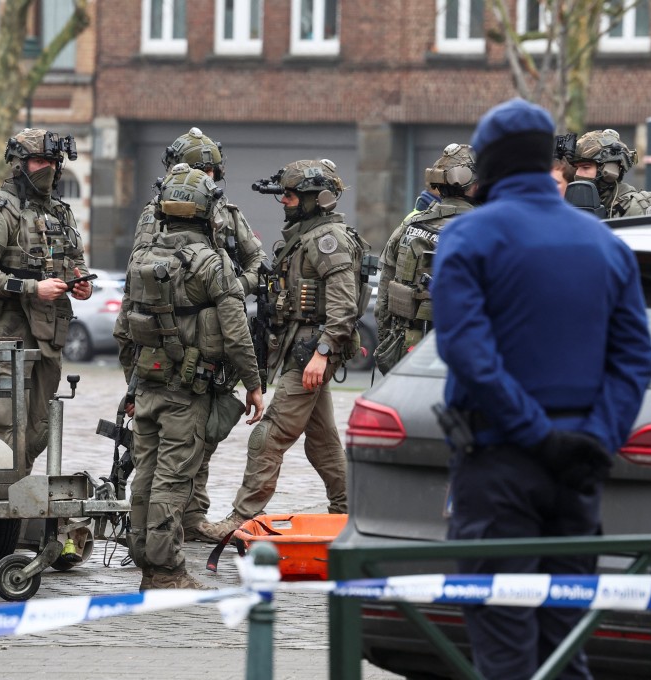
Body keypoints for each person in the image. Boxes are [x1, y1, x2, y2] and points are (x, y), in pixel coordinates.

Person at [431, 99, 651, 680]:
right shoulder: (605, 242)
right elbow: (634, 357)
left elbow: (467, 353)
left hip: (500, 462)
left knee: (504, 649)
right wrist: (596, 439)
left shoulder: (468, 237)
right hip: (579, 467)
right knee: (565, 646)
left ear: (491, 163)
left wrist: (536, 435)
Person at [199, 159, 371, 541]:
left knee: (270, 435)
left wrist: (323, 353)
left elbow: (343, 308)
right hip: (300, 350)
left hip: (310, 354)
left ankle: (242, 518)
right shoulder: (306, 235)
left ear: (315, 198)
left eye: (291, 196)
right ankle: (352, 513)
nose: (285, 202)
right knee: (324, 443)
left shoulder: (328, 240)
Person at [114, 163, 264, 589]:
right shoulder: (212, 263)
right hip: (187, 390)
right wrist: (253, 385)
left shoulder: (141, 256)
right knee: (173, 478)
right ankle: (164, 571)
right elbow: (236, 332)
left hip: (148, 386)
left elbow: (124, 328)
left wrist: (135, 382)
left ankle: (147, 561)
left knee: (145, 473)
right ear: (206, 212)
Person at [0, 128, 92, 470]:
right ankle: (0, 508)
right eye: (39, 160)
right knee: (7, 430)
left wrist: (80, 284)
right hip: (8, 336)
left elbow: (76, 261)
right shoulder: (0, 209)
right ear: (20, 164)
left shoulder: (61, 213)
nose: (47, 168)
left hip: (49, 335)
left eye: (52, 161)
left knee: (39, 429)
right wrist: (32, 288)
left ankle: (20, 496)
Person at [374, 143, 477, 375]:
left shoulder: (409, 225)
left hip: (406, 353)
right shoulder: (489, 230)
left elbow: (383, 301)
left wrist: (387, 348)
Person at [571, 129, 651, 217]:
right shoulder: (572, 203)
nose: (578, 174)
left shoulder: (638, 207)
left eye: (585, 167)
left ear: (610, 169)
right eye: (576, 168)